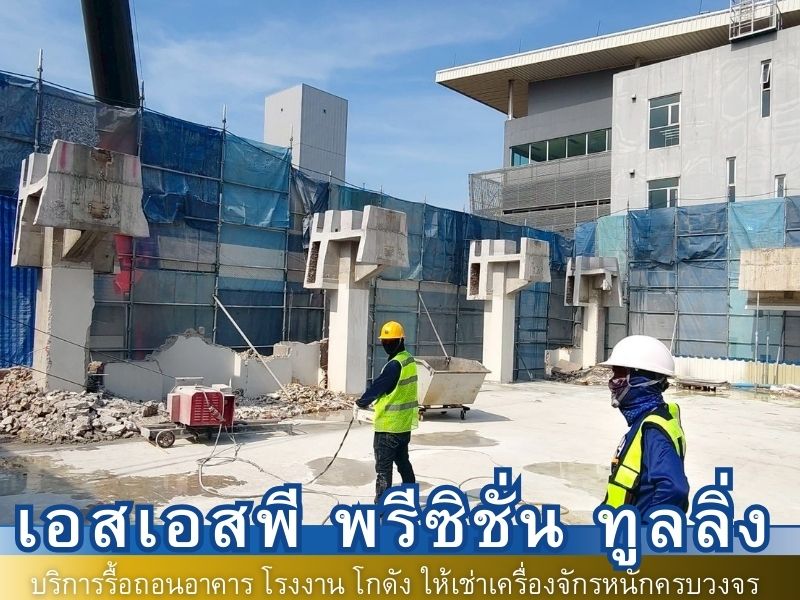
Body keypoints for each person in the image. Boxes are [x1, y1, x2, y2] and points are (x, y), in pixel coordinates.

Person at [599, 335, 690, 514]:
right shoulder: (647, 420)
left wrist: (649, 528)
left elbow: (675, 489)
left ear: (641, 379)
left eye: (619, 375)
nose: (612, 383)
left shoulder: (653, 430)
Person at [355, 320, 419, 503]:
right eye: (384, 342)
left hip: (388, 427)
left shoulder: (394, 365)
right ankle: (410, 497)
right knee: (403, 463)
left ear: (400, 340)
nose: (387, 345)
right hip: (403, 426)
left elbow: (379, 386)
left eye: (390, 341)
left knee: (383, 470)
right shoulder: (408, 359)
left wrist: (362, 401)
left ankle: (381, 507)